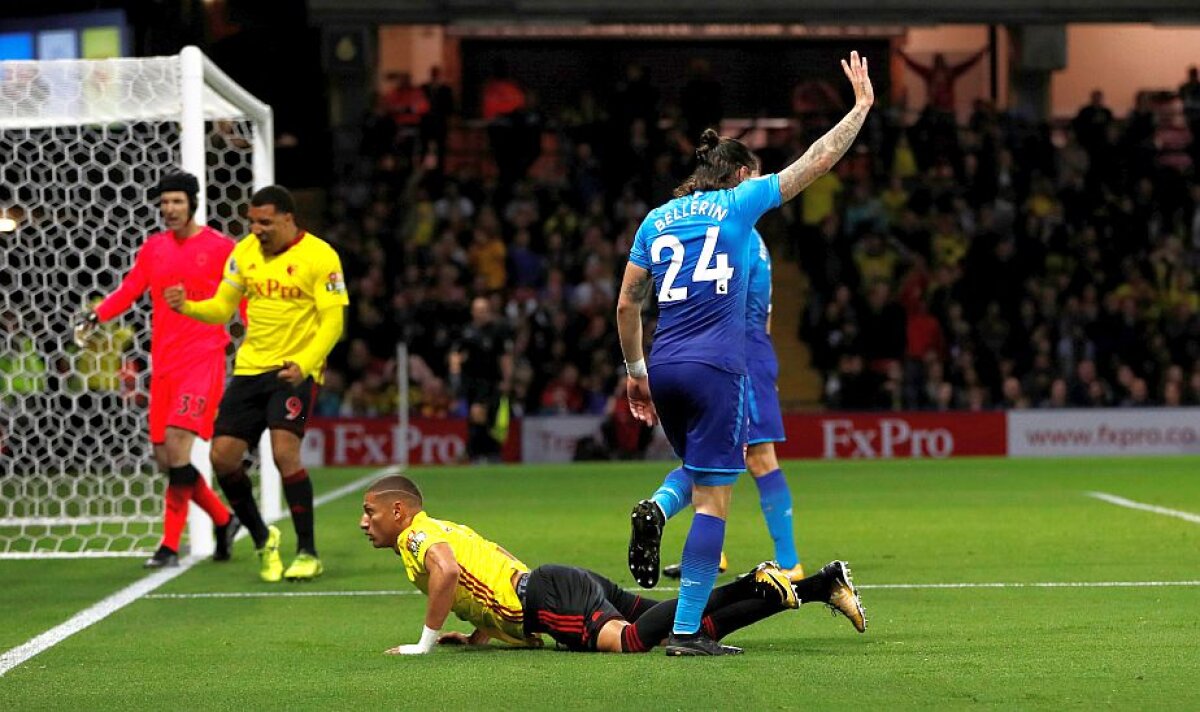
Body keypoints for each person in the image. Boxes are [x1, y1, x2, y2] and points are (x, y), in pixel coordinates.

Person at [615, 51, 872, 655]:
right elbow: (816, 160)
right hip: (717, 370)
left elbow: (627, 305)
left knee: (697, 474)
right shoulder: (739, 207)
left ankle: (656, 512)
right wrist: (860, 108)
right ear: (734, 176)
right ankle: (686, 633)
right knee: (715, 499)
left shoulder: (655, 219)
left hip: (666, 363)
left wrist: (635, 374)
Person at [359, 474, 865, 656]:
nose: (364, 522)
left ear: (399, 512)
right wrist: (476, 635)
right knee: (684, 625)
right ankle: (819, 585)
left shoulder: (417, 534)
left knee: (633, 642)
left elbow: (448, 574)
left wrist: (423, 644)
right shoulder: (445, 528)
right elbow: (486, 574)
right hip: (557, 583)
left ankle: (756, 581)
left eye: (370, 511)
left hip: (550, 599)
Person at [165, 185, 349, 582]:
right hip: (250, 369)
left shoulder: (320, 256)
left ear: (287, 218)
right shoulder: (244, 252)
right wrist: (189, 307)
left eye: (265, 222)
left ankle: (308, 552)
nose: (257, 229)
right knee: (222, 459)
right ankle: (265, 539)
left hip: (293, 370)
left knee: (285, 454)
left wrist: (305, 362)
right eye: (252, 221)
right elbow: (221, 308)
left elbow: (333, 321)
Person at [73, 172, 238, 569]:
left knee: (179, 448)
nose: (169, 209)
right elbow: (129, 290)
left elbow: (240, 294)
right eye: (164, 203)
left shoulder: (221, 247)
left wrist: (255, 337)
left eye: (177, 201)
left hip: (203, 357)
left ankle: (168, 546)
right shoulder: (154, 249)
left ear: (193, 203)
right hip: (164, 363)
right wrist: (96, 316)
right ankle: (223, 518)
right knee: (166, 459)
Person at [662, 225, 805, 582]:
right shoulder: (744, 236)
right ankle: (712, 553)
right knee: (708, 456)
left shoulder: (738, 236)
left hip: (742, 350)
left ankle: (789, 563)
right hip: (730, 349)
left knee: (760, 457)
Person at [896, 47, 986, 116]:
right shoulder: (931, 75)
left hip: (946, 109)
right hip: (936, 109)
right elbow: (914, 66)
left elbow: (966, 65)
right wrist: (903, 56)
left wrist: (979, 55)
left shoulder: (947, 74)